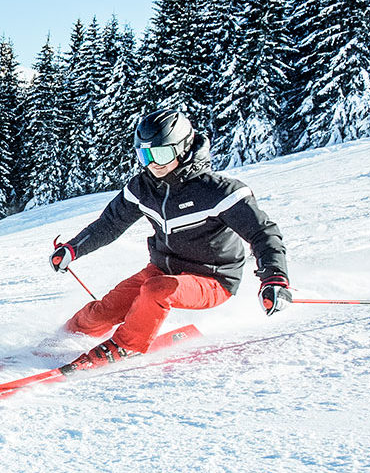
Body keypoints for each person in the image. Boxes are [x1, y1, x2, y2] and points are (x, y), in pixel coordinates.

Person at [47, 110, 290, 372]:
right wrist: (72, 248)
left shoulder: (220, 192)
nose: (154, 163)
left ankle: (127, 345)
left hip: (213, 279)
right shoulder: (143, 188)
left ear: (183, 147)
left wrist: (275, 278)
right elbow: (110, 224)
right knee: (104, 311)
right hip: (162, 269)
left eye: (161, 154)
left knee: (159, 290)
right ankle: (60, 340)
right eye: (145, 155)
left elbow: (263, 234)